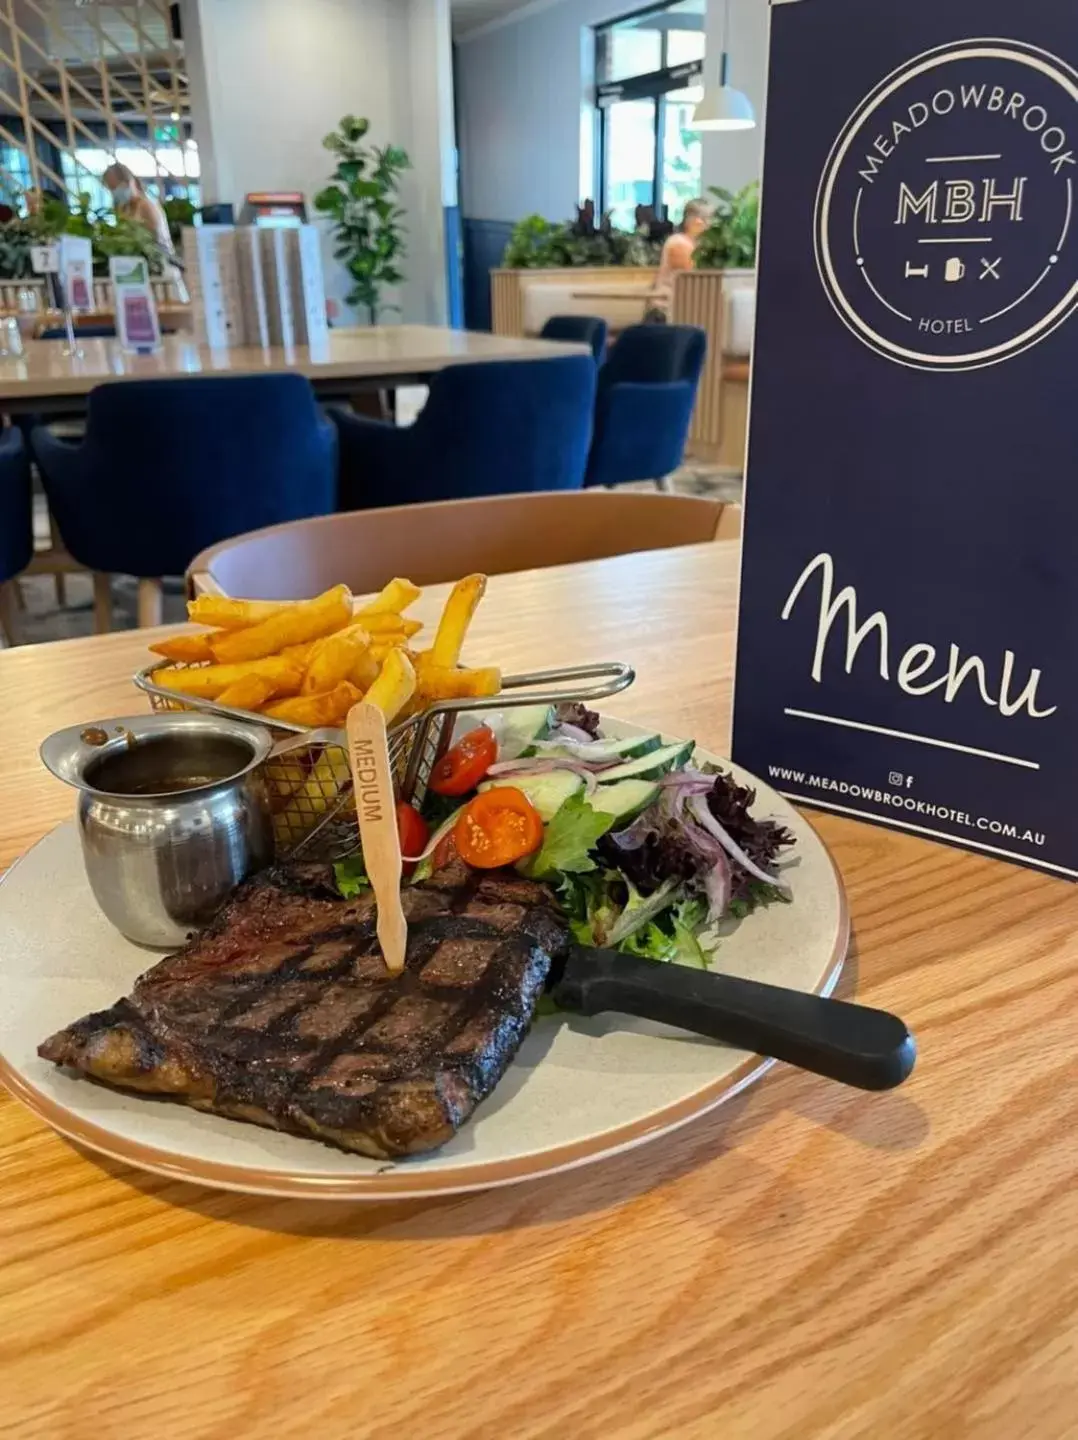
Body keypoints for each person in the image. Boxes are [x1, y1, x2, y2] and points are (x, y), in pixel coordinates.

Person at [102, 162, 188, 301]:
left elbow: (152, 239)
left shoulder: (147, 206)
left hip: (162, 269)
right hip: (141, 273)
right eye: (110, 189)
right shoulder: (123, 209)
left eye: (116, 187)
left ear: (129, 182)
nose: (114, 192)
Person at [648, 197, 713, 320]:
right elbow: (694, 273)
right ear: (696, 221)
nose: (711, 224)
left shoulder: (695, 243)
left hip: (683, 307)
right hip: (665, 310)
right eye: (709, 219)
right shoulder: (679, 243)